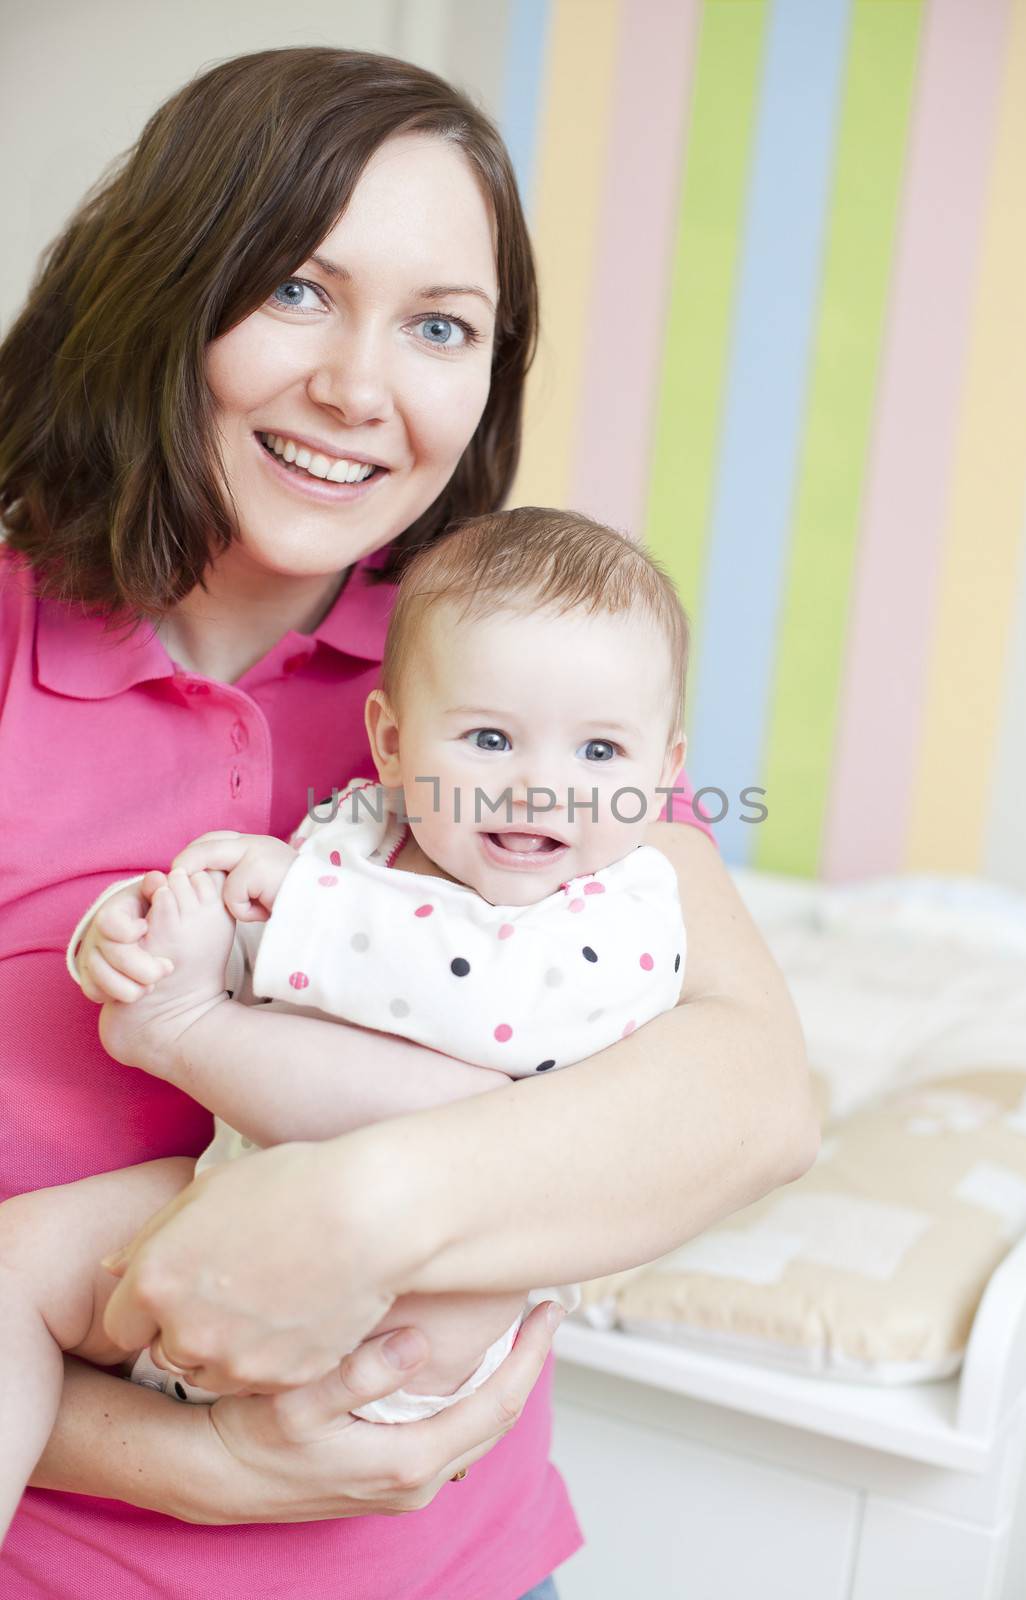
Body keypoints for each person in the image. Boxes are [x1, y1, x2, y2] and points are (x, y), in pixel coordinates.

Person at [0, 45, 817, 1600]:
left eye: (440, 326)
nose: (360, 389)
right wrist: (201, 1466)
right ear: (165, 292)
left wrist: (358, 1202)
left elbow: (752, 1096)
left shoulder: (503, 698)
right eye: (297, 291)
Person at [0, 507, 691, 1531]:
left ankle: (181, 1035)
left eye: (599, 750)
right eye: (490, 738)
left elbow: (493, 1009)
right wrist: (142, 939)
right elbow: (276, 970)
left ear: (663, 771)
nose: (543, 784)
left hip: (415, 1300)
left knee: (465, 1102)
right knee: (15, 1262)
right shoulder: (361, 829)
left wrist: (292, 913)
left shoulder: (624, 903)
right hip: (216, 1211)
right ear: (393, 743)